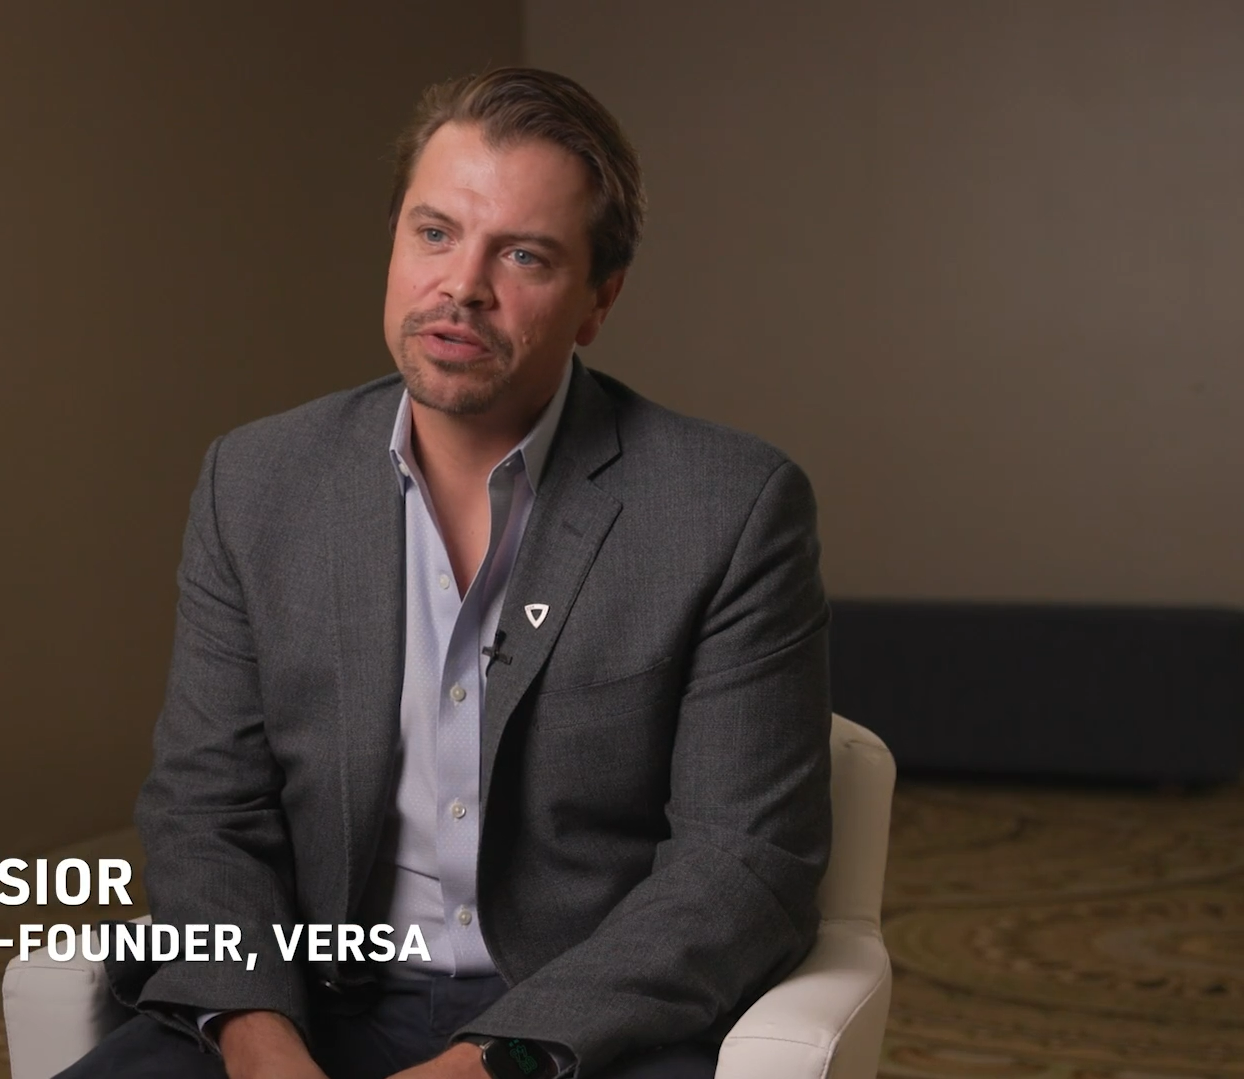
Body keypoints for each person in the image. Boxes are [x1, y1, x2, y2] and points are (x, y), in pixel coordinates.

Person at [60, 67, 832, 1079]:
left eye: (522, 254)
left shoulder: (728, 507)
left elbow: (740, 865)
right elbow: (205, 810)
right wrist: (259, 1042)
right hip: (304, 999)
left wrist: (482, 1065)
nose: (462, 285)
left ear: (597, 300)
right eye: (433, 233)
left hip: (573, 1025)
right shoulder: (254, 480)